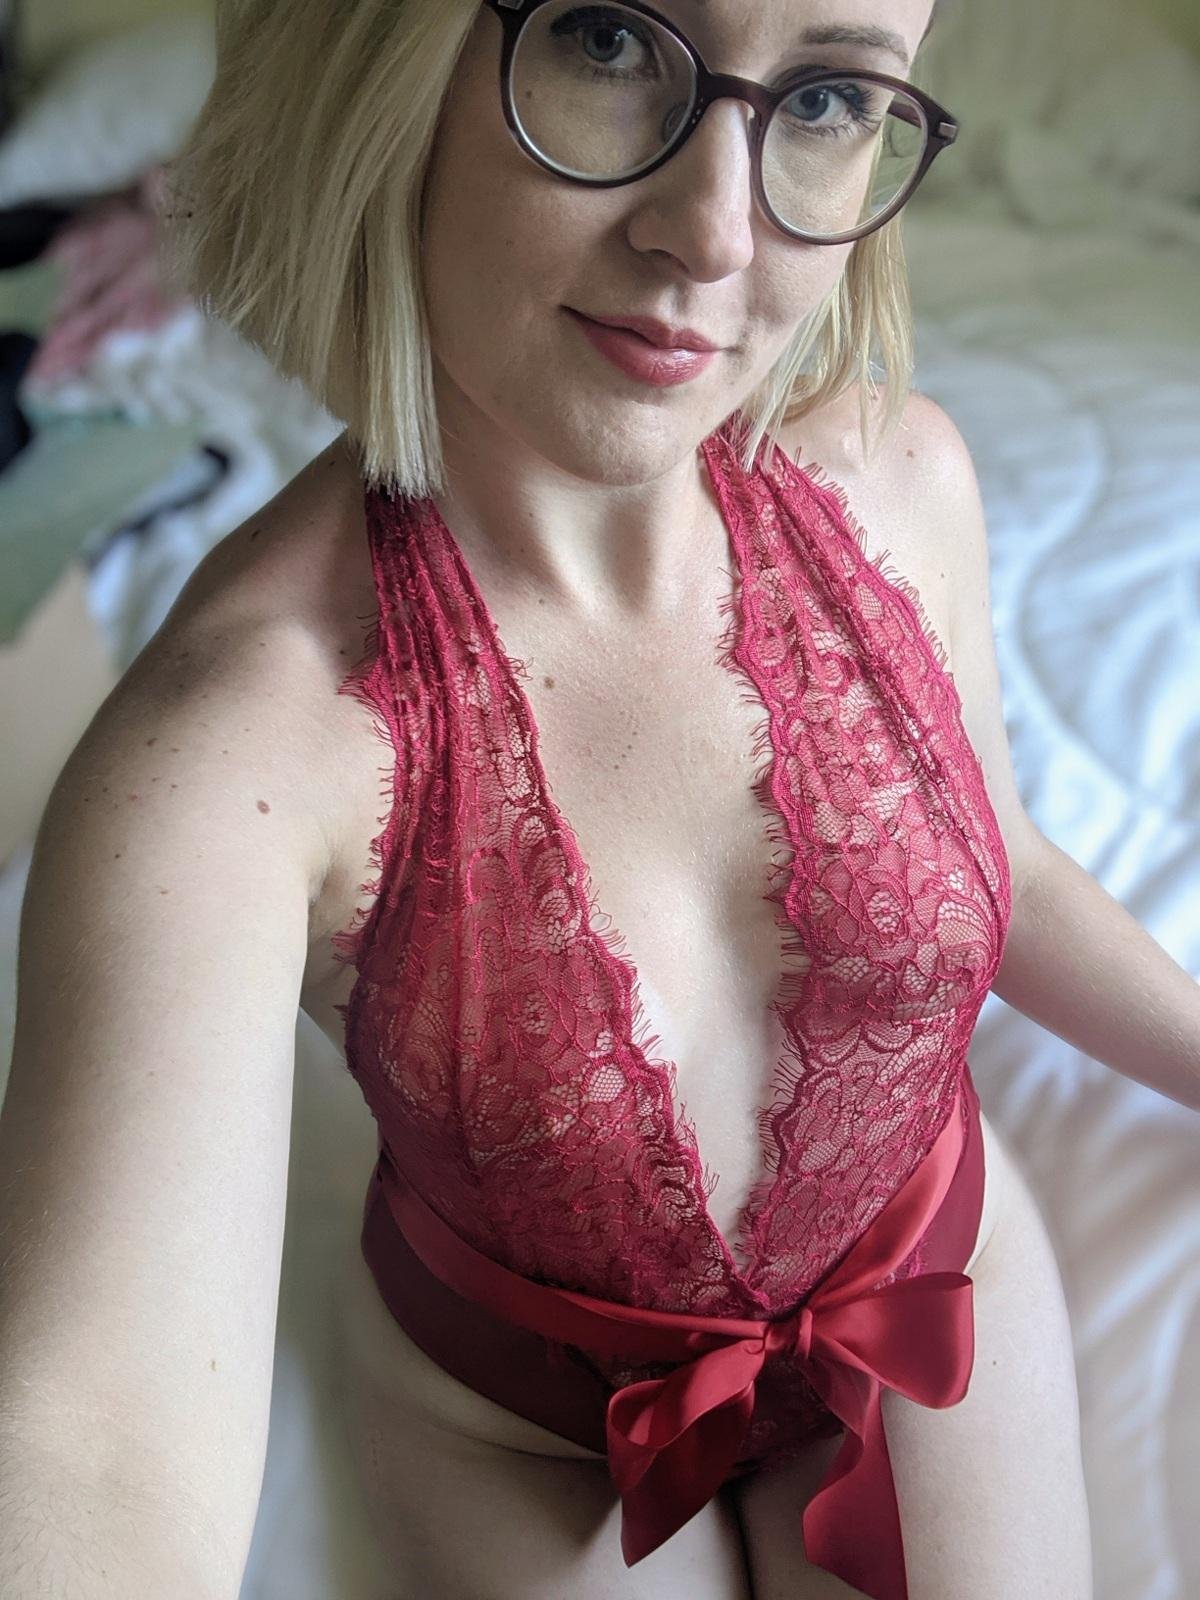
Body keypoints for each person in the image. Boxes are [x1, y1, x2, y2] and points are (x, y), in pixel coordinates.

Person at [1, 2, 1096, 1597]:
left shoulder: (899, 481)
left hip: (922, 1278)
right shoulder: (234, 761)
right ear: (384, 64)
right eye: (606, 39)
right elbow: (95, 1447)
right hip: (517, 1416)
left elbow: (1012, 862)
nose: (714, 235)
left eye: (828, 100)